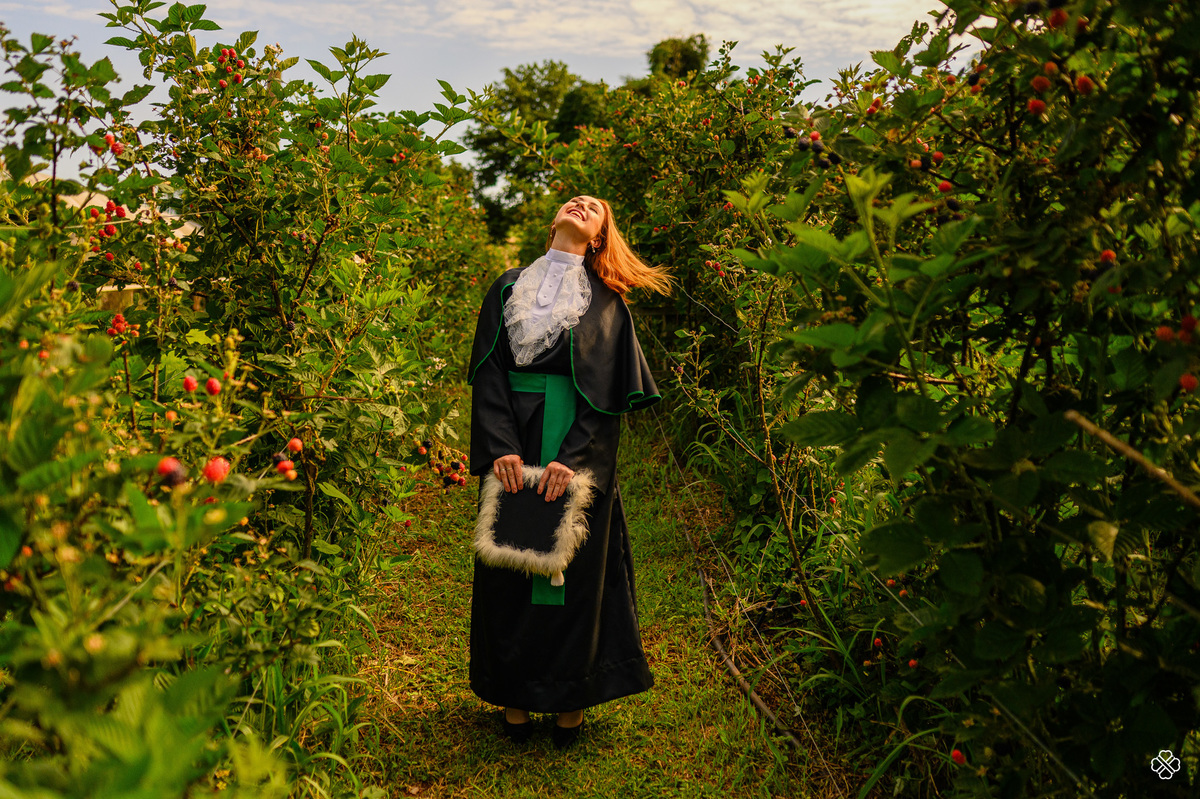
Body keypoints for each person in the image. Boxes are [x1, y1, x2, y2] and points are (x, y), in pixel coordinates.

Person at [466, 195, 673, 748]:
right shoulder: (508, 288)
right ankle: (513, 691)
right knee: (511, 557)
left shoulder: (607, 302)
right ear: (554, 220)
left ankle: (570, 698)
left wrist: (573, 460)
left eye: (596, 207)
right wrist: (500, 448)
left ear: (600, 238)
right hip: (514, 443)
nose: (581, 204)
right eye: (574, 200)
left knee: (576, 570)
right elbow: (488, 374)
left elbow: (607, 397)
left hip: (574, 446)